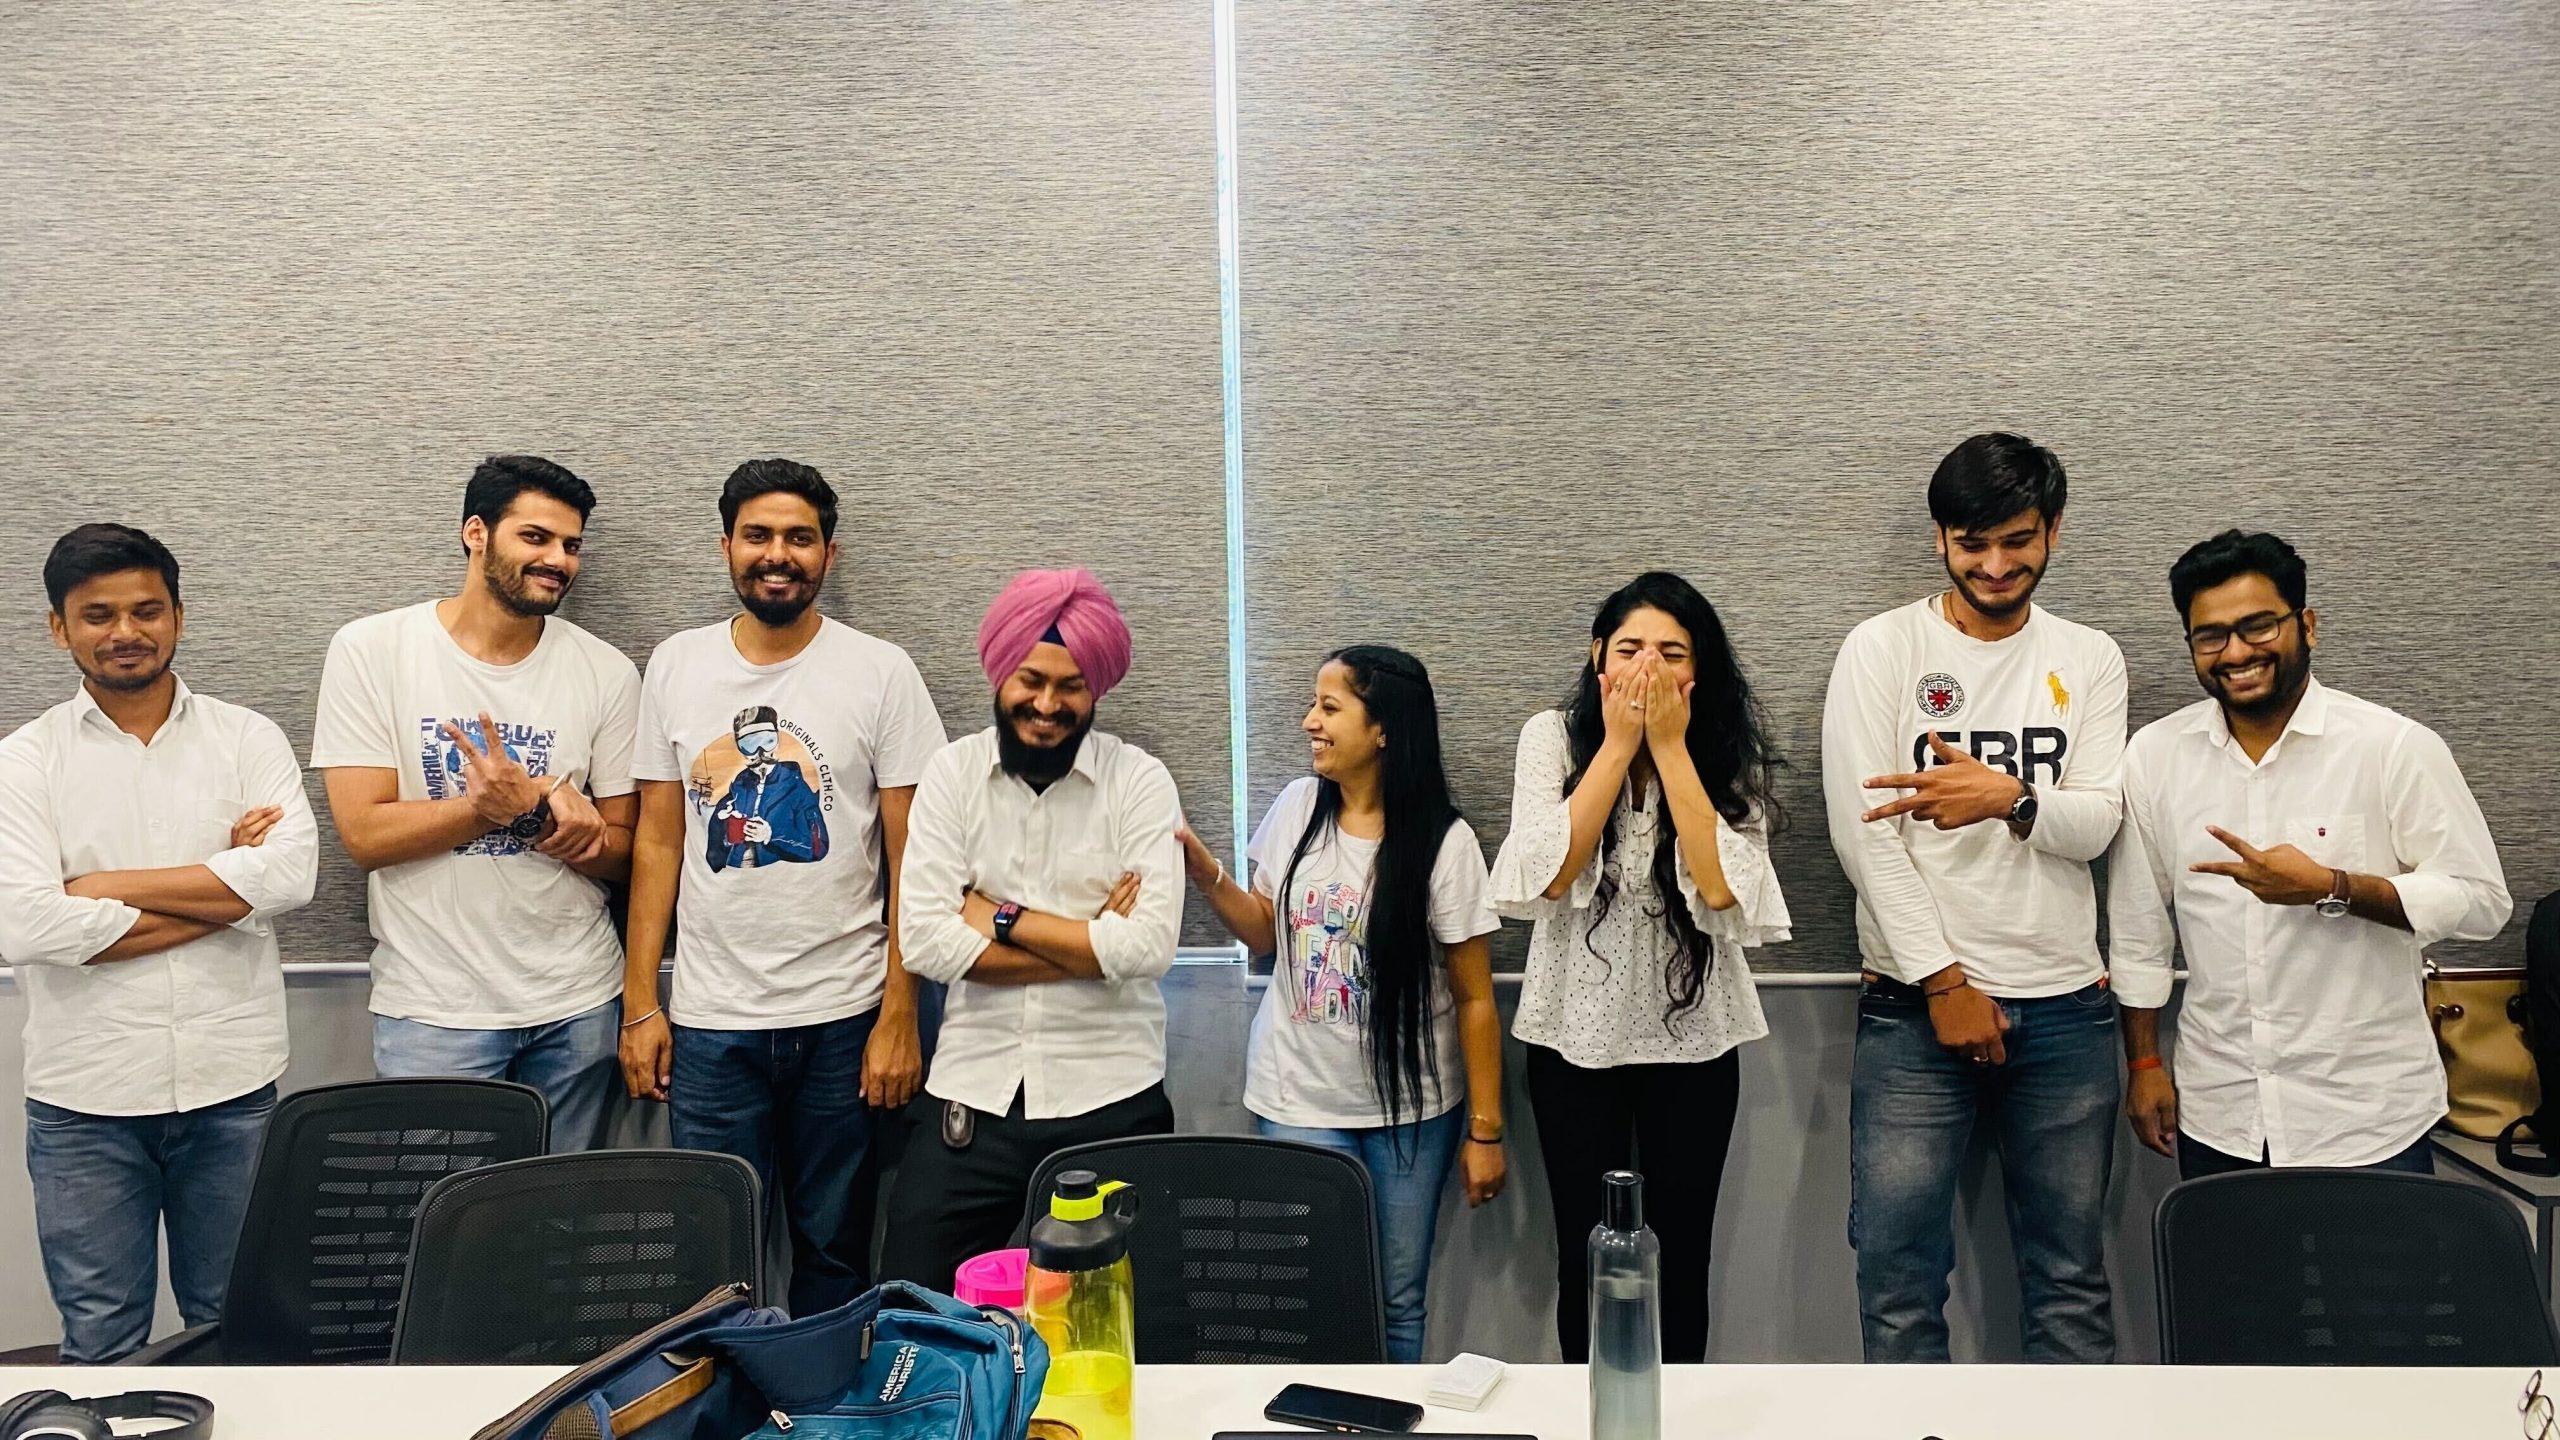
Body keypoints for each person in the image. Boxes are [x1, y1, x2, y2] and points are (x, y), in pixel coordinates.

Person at [1822, 432, 2128, 1364]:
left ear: (2054, 533)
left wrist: (2013, 798)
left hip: (2069, 1007)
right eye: (1972, 543)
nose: (1996, 566)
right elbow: (1863, 834)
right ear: (1941, 540)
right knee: (1898, 1282)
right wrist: (1946, 982)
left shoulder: (2091, 656)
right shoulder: (1883, 648)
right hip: (1915, 1011)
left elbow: (2101, 823)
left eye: (2018, 540)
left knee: (2070, 1280)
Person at [615, 459, 946, 1315]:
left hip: (845, 1014)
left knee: (836, 1248)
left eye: (799, 538)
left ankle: (828, 1405)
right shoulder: (676, 666)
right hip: (711, 1020)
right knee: (709, 1255)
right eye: (758, 535)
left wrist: (899, 1013)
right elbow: (658, 840)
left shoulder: (880, 672)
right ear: (726, 545)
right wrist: (639, 1005)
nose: (778, 554)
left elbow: (917, 855)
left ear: (828, 554)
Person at [0, 524, 318, 1362]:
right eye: (97, 615)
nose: (126, 632)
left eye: (146, 610)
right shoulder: (24, 763)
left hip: (232, 1086)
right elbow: (27, 924)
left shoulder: (246, 738)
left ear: (178, 614)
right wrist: (224, 889)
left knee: (232, 1326)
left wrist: (100, 889)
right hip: (86, 1103)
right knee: (101, 1338)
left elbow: (289, 880)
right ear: (58, 629)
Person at [2110, 530, 2510, 1178]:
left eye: (2258, 626)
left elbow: (2483, 904)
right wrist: (2146, 1064)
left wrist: (2335, 885)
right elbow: (2137, 933)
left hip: (2368, 1118)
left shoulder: (2392, 747)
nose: (2235, 652)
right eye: (2210, 636)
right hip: (2221, 1112)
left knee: (2378, 1285)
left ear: (2308, 624)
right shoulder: (2154, 757)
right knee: (2235, 1284)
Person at [1489, 571, 1791, 1364]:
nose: (1647, 669)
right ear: (1598, 658)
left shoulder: (1725, 749)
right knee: (1585, 1258)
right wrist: (1620, 745)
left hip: (1694, 1043)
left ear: (1700, 671)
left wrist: (1668, 747)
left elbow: (1725, 890)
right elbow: (1548, 874)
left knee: (1681, 1258)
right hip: (1570, 1040)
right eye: (1628, 649)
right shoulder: (1550, 736)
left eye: (1670, 652)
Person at [1179, 646, 1507, 1363]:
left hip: (1413, 1113)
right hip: (1296, 1099)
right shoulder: (1298, 808)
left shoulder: (1445, 843)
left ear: (1384, 728)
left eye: (1329, 708)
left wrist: (1486, 1131)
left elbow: (1476, 997)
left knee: (1398, 1300)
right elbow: (1265, 933)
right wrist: (1207, 873)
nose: (1309, 723)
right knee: (1313, 1294)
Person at [311, 455, 639, 1150]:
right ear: (476, 534)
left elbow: (625, 855)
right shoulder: (373, 651)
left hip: (578, 1003)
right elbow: (364, 834)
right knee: (438, 1233)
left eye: (571, 546)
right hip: (434, 1009)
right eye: (536, 538)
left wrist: (540, 814)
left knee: (558, 1230)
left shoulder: (606, 672)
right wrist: (498, 805)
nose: (557, 560)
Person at [881, 568, 1182, 1291]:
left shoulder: (1139, 782)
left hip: (1112, 1093)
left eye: (1070, 686)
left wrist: (1001, 917)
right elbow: (924, 940)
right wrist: (1087, 940)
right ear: (1000, 673)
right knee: (912, 1308)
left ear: (1096, 690)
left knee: (1114, 1316)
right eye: (1030, 680)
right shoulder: (951, 775)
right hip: (971, 1097)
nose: (1046, 705)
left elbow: (1148, 948)